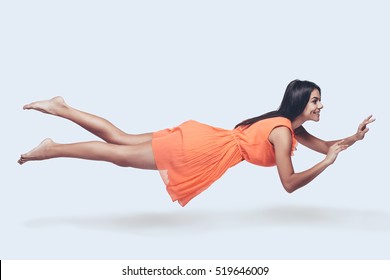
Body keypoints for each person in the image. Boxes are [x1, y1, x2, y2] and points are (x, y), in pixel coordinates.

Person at [18, 80, 375, 206]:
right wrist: (327, 163)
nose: (320, 105)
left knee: (122, 141)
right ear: (300, 104)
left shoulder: (290, 128)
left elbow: (327, 143)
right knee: (120, 155)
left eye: (320, 100)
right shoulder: (283, 132)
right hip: (200, 150)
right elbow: (289, 184)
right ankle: (52, 148)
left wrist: (354, 139)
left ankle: (61, 107)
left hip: (206, 140)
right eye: (315, 100)